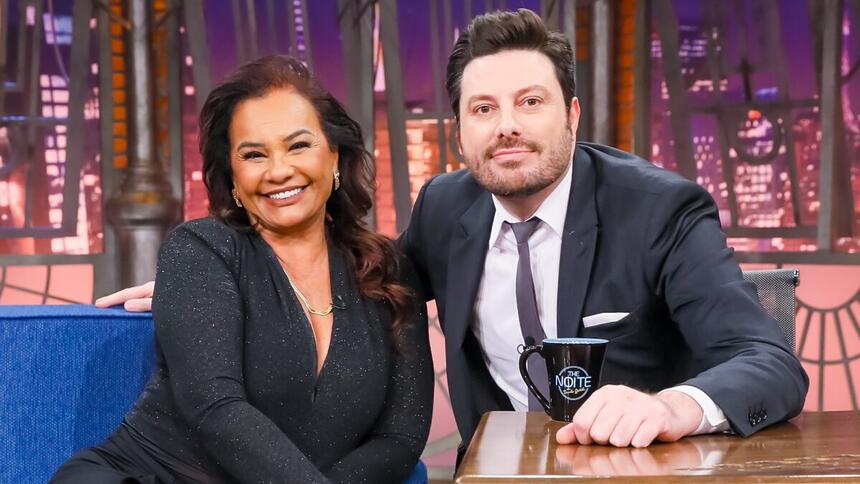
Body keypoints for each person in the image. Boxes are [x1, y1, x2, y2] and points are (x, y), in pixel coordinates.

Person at [99, 8, 808, 464]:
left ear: (572, 113)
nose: (508, 126)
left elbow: (767, 363)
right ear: (459, 129)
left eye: (530, 103)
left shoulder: (658, 210)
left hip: (643, 471)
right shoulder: (446, 208)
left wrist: (668, 407)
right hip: (501, 472)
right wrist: (224, 281)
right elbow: (360, 279)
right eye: (483, 107)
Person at [55, 55, 433, 483]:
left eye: (298, 145)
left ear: (334, 157)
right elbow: (215, 408)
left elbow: (400, 437)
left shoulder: (389, 273)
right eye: (254, 154)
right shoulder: (201, 249)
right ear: (233, 180)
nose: (279, 170)